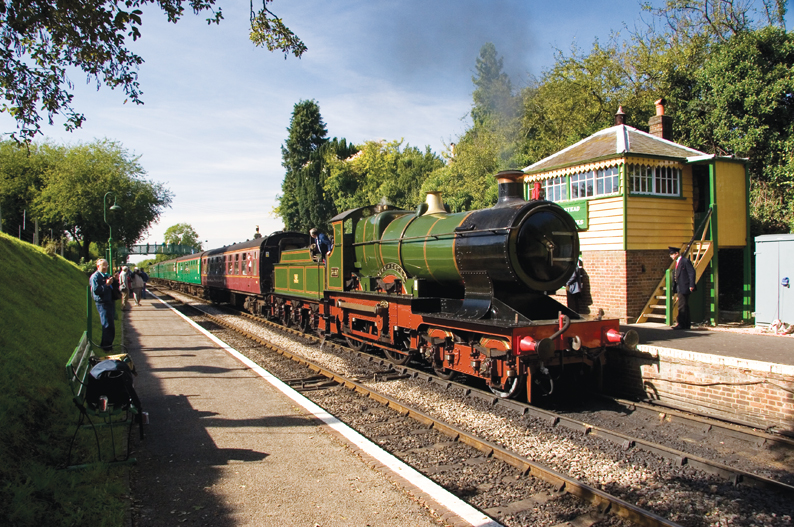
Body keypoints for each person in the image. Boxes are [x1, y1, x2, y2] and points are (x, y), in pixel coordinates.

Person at [90, 258, 116, 351]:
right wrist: (106, 285)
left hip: (109, 302)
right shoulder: (95, 277)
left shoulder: (106, 275)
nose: (105, 267)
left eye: (106, 265)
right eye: (103, 265)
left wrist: (114, 280)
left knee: (110, 325)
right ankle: (106, 347)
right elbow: (96, 291)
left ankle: (108, 345)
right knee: (107, 325)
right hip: (102, 303)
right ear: (98, 266)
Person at [669, 246, 696, 330]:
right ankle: (686, 324)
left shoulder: (685, 261)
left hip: (684, 286)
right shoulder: (677, 262)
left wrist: (691, 285)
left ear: (677, 253)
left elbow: (691, 273)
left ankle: (681, 324)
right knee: (685, 305)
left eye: (672, 254)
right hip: (679, 286)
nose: (671, 256)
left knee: (681, 306)